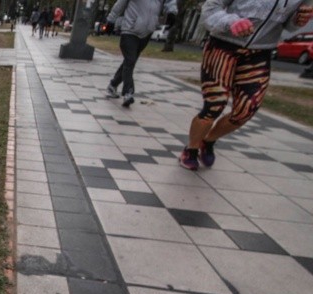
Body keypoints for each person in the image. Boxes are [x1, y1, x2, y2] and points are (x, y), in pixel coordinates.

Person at [179, 0, 312, 170]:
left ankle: (209, 140)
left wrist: (297, 20)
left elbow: (289, 25)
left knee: (246, 110)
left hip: (260, 52)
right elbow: (210, 9)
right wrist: (231, 21)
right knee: (215, 104)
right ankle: (191, 149)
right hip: (223, 45)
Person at [104, 0, 178, 107]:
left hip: (146, 33)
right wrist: (111, 20)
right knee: (130, 61)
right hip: (129, 29)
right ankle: (128, 92)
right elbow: (120, 3)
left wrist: (172, 12)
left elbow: (170, 1)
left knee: (130, 62)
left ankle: (113, 85)